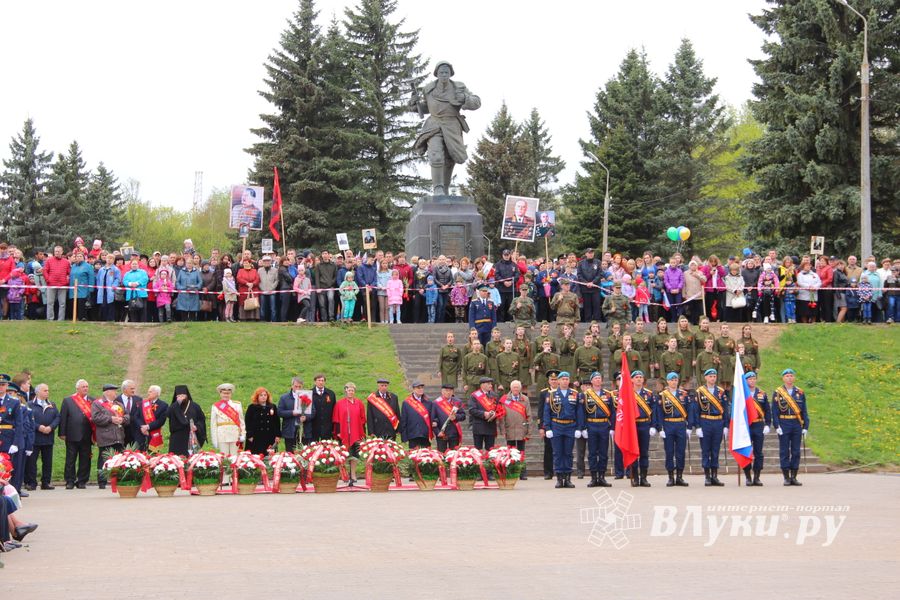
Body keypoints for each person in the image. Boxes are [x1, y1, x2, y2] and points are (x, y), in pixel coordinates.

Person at [411, 60, 481, 196]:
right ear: (436, 74)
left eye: (446, 72)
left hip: (452, 125)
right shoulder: (428, 89)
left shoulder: (459, 87)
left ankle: (445, 188)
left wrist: (465, 98)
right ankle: (437, 188)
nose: (444, 74)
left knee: (450, 158)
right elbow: (426, 108)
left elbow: (477, 102)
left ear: (450, 74)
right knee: (436, 155)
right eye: (441, 72)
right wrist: (415, 105)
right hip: (434, 125)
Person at [543, 371, 583, 488]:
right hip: (557, 426)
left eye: (567, 379)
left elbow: (579, 412)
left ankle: (568, 478)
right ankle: (560, 478)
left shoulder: (575, 394)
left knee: (568, 453)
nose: (565, 381)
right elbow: (547, 412)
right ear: (559, 381)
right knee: (558, 453)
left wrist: (579, 428)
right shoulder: (551, 394)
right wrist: (547, 427)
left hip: (570, 426)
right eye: (563, 379)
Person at [772, 368, 809, 486]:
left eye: (791, 376)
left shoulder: (800, 392)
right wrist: (776, 425)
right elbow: (775, 410)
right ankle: (786, 477)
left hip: (796, 424)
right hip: (784, 423)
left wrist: (805, 426)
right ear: (783, 378)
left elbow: (804, 411)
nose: (789, 378)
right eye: (787, 376)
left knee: (796, 451)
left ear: (794, 378)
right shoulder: (778, 392)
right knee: (784, 451)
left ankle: (794, 476)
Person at [654, 372, 692, 487]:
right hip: (668, 424)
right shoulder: (662, 395)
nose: (674, 382)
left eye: (676, 380)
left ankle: (679, 476)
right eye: (672, 380)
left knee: (680, 452)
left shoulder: (684, 394)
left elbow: (689, 411)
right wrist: (660, 428)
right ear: (668, 381)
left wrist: (689, 427)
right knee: (669, 452)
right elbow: (659, 413)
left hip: (680, 424)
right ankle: (670, 477)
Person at [695, 368, 730, 486]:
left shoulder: (720, 391)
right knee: (706, 450)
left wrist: (726, 425)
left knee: (715, 450)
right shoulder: (700, 392)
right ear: (705, 378)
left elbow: (725, 410)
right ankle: (707, 476)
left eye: (714, 376)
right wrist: (698, 426)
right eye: (710, 376)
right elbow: (696, 410)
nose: (712, 378)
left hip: (718, 423)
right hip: (705, 421)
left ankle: (715, 476)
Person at [58, 379, 94, 489]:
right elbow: (63, 417)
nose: (86, 388)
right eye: (83, 387)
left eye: (87, 386)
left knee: (85, 459)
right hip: (72, 434)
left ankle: (82, 480)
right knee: (70, 459)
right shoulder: (68, 400)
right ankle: (70, 480)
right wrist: (62, 433)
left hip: (87, 435)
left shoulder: (93, 400)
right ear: (77, 388)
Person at [91, 384, 129, 489]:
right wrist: (111, 419)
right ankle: (102, 482)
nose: (116, 393)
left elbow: (127, 415)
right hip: (105, 437)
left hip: (119, 436)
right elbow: (95, 418)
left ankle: (118, 479)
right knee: (103, 459)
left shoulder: (119, 404)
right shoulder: (97, 404)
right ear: (107, 392)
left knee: (119, 460)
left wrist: (123, 419)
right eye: (113, 391)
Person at [582, 372, 614, 487]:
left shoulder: (608, 394)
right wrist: (583, 427)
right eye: (595, 378)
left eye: (599, 378)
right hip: (591, 425)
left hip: (604, 425)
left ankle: (602, 476)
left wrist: (612, 427)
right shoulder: (585, 395)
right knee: (592, 453)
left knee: (603, 452)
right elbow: (582, 412)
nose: (597, 380)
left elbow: (612, 412)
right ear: (591, 381)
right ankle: (593, 477)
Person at [24, 383, 57, 490]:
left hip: (48, 437)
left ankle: (46, 482)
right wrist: (38, 427)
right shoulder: (29, 405)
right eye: (45, 390)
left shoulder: (52, 404)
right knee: (32, 462)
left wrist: (51, 427)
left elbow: (57, 417)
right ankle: (32, 482)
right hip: (35, 438)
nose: (47, 392)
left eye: (48, 390)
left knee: (47, 461)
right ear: (38, 392)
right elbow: (27, 419)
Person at [332, 383, 366, 485]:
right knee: (344, 455)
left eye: (352, 390)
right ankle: (344, 474)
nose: (350, 392)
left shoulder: (359, 403)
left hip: (356, 433)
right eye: (349, 390)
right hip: (343, 433)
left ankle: (353, 474)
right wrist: (338, 432)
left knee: (355, 455)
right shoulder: (340, 404)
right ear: (345, 391)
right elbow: (336, 419)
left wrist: (363, 433)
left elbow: (363, 419)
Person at [498, 380, 530, 480]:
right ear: (511, 388)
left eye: (517, 387)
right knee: (510, 452)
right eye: (514, 387)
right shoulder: (504, 399)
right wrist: (502, 430)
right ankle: (511, 471)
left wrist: (529, 431)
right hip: (509, 428)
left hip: (521, 429)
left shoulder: (525, 399)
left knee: (521, 452)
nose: (516, 389)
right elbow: (501, 416)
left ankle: (522, 473)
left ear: (520, 388)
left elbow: (529, 416)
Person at [629, 371, 656, 488]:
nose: (639, 379)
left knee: (644, 452)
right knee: (634, 453)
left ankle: (644, 478)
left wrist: (653, 426)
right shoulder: (627, 394)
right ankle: (635, 477)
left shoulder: (649, 394)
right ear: (632, 380)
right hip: (633, 426)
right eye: (636, 377)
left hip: (645, 424)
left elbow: (654, 411)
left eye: (641, 377)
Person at [744, 371, 770, 486]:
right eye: (750, 379)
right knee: (746, 452)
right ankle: (748, 477)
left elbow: (767, 410)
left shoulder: (762, 394)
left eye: (754, 379)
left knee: (758, 452)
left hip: (759, 425)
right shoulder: (742, 394)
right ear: (746, 381)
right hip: (746, 426)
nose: (752, 381)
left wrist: (767, 424)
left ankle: (757, 477)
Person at [167, 385, 206, 456]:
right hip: (177, 437)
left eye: (183, 395)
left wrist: (196, 427)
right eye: (179, 396)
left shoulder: (195, 406)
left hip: (191, 436)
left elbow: (201, 419)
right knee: (176, 458)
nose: (181, 397)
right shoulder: (173, 406)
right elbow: (168, 414)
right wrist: (177, 403)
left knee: (191, 458)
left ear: (187, 395)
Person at [278, 378, 314, 451]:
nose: (297, 388)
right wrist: (292, 413)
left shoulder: (308, 396)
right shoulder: (284, 398)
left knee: (304, 453)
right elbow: (280, 412)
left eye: (299, 387)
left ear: (302, 387)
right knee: (290, 454)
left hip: (304, 431)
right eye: (296, 386)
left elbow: (313, 412)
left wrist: (305, 418)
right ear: (292, 386)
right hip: (290, 431)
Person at [210, 383, 245, 455]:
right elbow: (213, 424)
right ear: (220, 394)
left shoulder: (237, 405)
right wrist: (214, 439)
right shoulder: (215, 406)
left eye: (228, 393)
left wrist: (243, 434)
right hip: (222, 435)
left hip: (235, 435)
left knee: (235, 457)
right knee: (224, 458)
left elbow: (241, 421)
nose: (226, 395)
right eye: (224, 393)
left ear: (231, 394)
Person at [468, 377, 501, 451]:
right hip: (478, 426)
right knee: (477, 450)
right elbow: (472, 410)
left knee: (490, 450)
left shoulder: (494, 395)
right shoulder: (474, 395)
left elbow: (499, 408)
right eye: (488, 384)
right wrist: (484, 414)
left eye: (491, 384)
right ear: (482, 385)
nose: (491, 386)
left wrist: (495, 414)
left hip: (490, 426)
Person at [430, 383, 466, 452]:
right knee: (441, 454)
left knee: (454, 454)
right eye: (446, 390)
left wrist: (456, 417)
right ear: (442, 391)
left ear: (453, 392)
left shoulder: (457, 402)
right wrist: (437, 432)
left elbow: (463, 416)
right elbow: (433, 419)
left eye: (450, 390)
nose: (448, 392)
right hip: (442, 433)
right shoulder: (436, 403)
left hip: (454, 433)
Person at [245, 388, 280, 455]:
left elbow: (277, 422)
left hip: (270, 436)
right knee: (256, 457)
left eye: (265, 395)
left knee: (269, 456)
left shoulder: (272, 406)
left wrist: (277, 435)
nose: (263, 397)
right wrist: (249, 435)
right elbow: (247, 422)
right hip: (256, 437)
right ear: (257, 397)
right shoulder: (252, 407)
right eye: (261, 395)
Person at [134, 385, 168, 453]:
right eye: (148, 391)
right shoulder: (143, 403)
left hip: (154, 434)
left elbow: (161, 421)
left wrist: (148, 427)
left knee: (153, 456)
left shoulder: (163, 405)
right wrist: (142, 426)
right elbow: (136, 416)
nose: (148, 393)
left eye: (150, 392)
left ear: (157, 393)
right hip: (141, 433)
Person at [400, 381, 432, 449]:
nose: (421, 389)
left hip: (425, 434)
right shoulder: (406, 403)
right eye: (418, 388)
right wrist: (404, 437)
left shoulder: (428, 402)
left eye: (422, 388)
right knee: (414, 456)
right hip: (412, 434)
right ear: (413, 389)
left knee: (426, 456)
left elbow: (432, 417)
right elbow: (403, 420)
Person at [311, 374, 336, 441]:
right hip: (313, 427)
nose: (321, 382)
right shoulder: (309, 393)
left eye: (322, 380)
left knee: (326, 450)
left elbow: (334, 410)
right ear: (315, 382)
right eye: (319, 380)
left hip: (327, 427)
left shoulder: (331, 394)